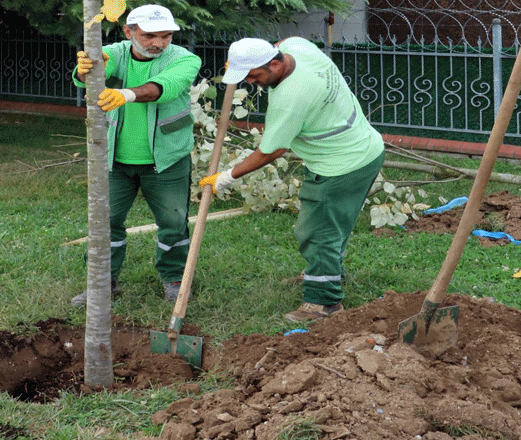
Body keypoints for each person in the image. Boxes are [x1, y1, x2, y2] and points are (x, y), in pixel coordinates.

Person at [199, 37, 385, 322]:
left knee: (318, 230)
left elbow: (271, 151)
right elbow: (283, 40)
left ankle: (323, 303)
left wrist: (225, 177)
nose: (250, 81)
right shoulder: (297, 48)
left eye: (254, 75)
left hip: (341, 165)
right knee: (334, 223)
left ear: (275, 63)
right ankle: (324, 273)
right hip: (365, 149)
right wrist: (242, 61)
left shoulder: (291, 98)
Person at [70, 4, 202, 307]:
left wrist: (126, 94)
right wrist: (84, 69)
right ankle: (103, 284)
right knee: (106, 221)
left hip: (167, 160)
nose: (158, 42)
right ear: (129, 32)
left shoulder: (184, 59)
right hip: (115, 160)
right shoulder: (114, 52)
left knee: (173, 221)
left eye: (166, 36)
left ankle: (174, 280)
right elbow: (88, 78)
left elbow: (165, 88)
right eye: (149, 35)